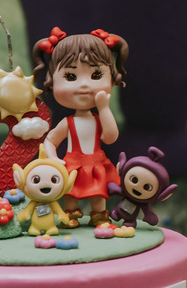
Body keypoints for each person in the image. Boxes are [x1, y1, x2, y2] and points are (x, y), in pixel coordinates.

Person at [34, 27, 128, 227]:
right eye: (70, 77)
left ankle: (99, 216)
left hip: (96, 164)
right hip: (73, 165)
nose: (84, 85)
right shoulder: (68, 123)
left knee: (98, 193)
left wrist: (104, 108)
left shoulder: (98, 118)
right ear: (52, 81)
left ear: (111, 78)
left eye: (96, 74)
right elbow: (50, 140)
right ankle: (70, 215)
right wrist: (53, 158)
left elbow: (110, 137)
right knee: (71, 192)